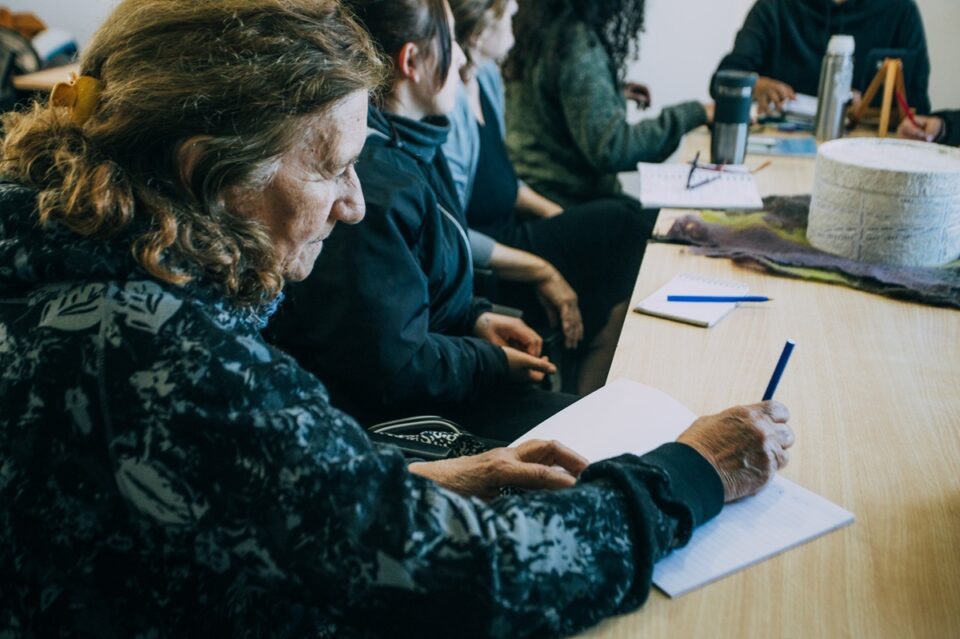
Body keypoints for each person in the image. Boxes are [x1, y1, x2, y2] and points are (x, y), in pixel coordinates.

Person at [0, 0, 797, 636]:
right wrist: (694, 469)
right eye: (333, 167)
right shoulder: (155, 354)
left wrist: (412, 476)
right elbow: (480, 584)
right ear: (209, 167)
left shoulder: (65, 252)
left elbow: (244, 485)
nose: (353, 204)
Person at [265, 0, 584, 440]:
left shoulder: (413, 146)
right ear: (412, 61)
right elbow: (391, 367)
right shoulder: (377, 187)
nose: (464, 56)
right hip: (415, 414)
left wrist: (475, 318)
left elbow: (416, 280)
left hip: (446, 373)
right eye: (451, 41)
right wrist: (489, 360)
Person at [443, 0, 653, 394]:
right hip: (486, 251)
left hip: (510, 227)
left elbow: (505, 183)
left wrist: (561, 218)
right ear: (477, 32)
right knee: (626, 225)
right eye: (506, 10)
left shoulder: (487, 78)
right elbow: (450, 234)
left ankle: (589, 365)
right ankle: (586, 374)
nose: (518, 9)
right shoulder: (448, 103)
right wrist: (543, 269)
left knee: (622, 218)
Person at [502, 0, 714, 207]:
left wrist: (609, 93)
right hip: (566, 201)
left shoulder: (542, 26)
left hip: (540, 187)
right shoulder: (576, 46)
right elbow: (613, 148)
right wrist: (696, 113)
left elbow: (554, 101)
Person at [712, 0, 931, 115]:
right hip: (786, 146)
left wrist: (870, 106)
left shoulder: (901, 11)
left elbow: (919, 105)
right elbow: (721, 81)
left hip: (868, 150)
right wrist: (759, 86)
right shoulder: (773, 7)